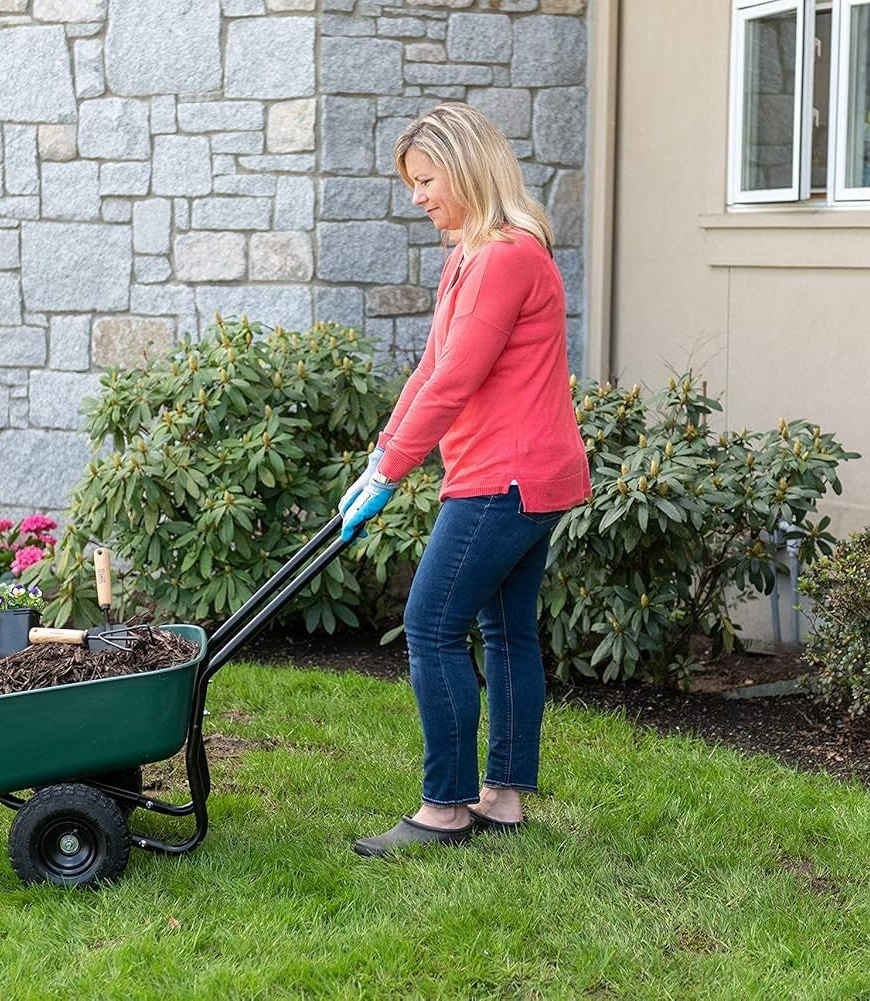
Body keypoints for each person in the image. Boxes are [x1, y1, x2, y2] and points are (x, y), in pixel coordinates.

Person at [338, 103, 591, 857]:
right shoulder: (468, 257)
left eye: (425, 179)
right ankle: (502, 799)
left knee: (431, 623)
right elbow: (429, 371)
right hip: (524, 474)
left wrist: (392, 471)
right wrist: (379, 454)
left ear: (466, 166)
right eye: (411, 183)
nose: (417, 196)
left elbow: (454, 382)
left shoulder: (508, 257)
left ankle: (444, 808)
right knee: (504, 630)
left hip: (505, 479)